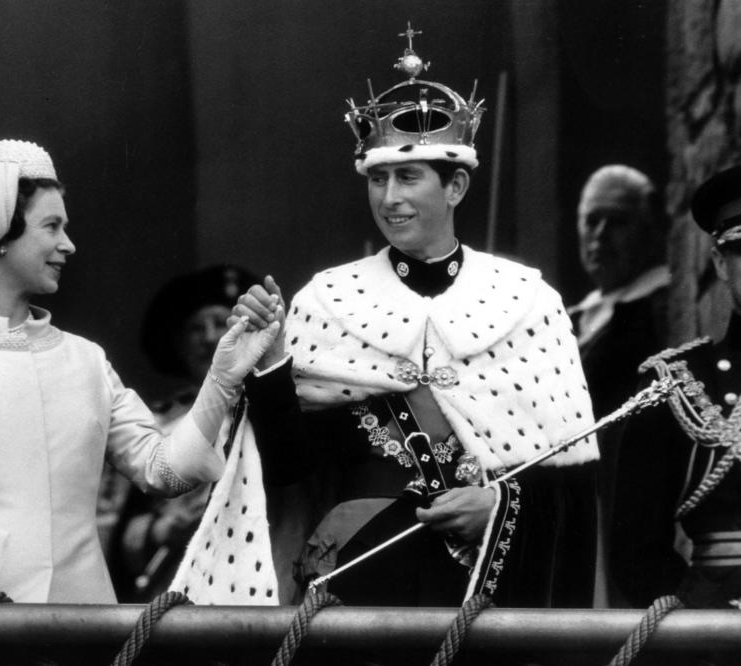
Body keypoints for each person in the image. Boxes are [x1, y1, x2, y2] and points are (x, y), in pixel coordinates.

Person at [172, 28, 600, 609]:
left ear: (457, 186)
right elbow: (293, 475)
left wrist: (497, 507)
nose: (389, 198)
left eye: (408, 178)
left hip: (486, 592)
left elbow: (572, 482)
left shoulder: (527, 299)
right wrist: (271, 364)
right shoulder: (327, 299)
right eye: (378, 179)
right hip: (361, 573)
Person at [0, 139, 279, 603]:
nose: (68, 245)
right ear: (0, 235)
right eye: (51, 226)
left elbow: (165, 472)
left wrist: (222, 378)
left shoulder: (85, 359)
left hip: (79, 628)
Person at [611, 164, 741, 613]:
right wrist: (698, 620)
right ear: (722, 263)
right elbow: (634, 551)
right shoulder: (676, 385)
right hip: (718, 628)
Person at [108, 264, 259, 601]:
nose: (208, 339)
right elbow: (114, 532)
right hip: (174, 586)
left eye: (220, 324)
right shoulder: (153, 423)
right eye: (195, 328)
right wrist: (163, 529)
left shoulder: (270, 412)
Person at [567, 165, 670, 606]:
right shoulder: (573, 316)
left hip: (626, 502)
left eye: (619, 221)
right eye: (593, 220)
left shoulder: (660, 307)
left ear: (650, 231)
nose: (602, 235)